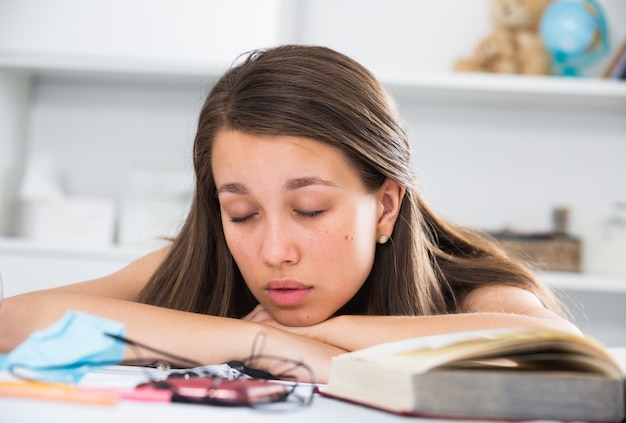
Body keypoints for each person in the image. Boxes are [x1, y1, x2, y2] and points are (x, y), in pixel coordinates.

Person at [0, 45, 579, 383]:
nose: (274, 249)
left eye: (309, 208)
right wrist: (262, 345)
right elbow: (15, 321)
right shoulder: (203, 265)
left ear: (384, 206)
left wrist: (330, 334)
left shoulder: (466, 285)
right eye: (243, 213)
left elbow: (555, 344)